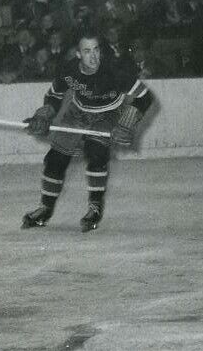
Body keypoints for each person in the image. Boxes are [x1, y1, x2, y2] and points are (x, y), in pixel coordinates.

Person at [20, 32, 155, 233]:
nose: (93, 57)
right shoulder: (68, 70)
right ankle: (45, 209)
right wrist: (44, 114)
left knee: (96, 153)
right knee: (55, 159)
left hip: (108, 114)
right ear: (77, 54)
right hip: (78, 113)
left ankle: (95, 206)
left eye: (96, 50)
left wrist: (127, 123)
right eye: (87, 51)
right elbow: (54, 96)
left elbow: (145, 97)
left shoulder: (115, 71)